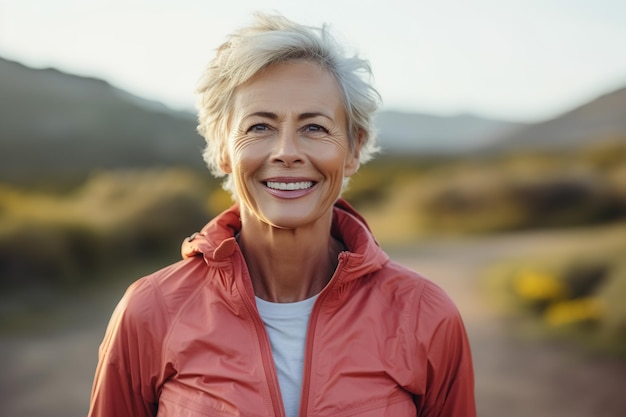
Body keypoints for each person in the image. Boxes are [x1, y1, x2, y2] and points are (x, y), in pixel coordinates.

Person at [88, 12, 476, 417]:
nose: (287, 151)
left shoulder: (426, 314)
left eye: (314, 128)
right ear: (223, 149)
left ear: (354, 149)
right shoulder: (149, 310)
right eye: (259, 127)